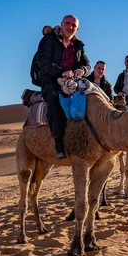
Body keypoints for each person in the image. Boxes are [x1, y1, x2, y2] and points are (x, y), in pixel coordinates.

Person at [35, 15, 91, 159]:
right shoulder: (49, 39)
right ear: (61, 24)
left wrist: (82, 70)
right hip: (51, 79)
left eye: (73, 25)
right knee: (55, 99)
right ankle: (58, 142)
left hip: (72, 81)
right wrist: (60, 72)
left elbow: (87, 65)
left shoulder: (78, 45)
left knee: (91, 99)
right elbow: (42, 61)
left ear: (77, 28)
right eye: (67, 23)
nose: (70, 27)